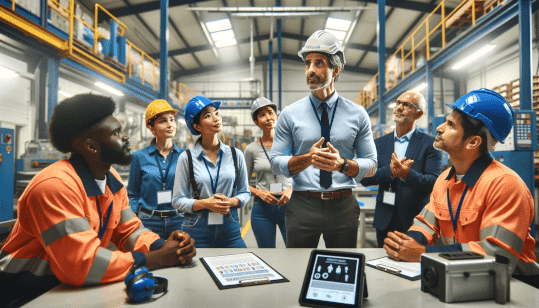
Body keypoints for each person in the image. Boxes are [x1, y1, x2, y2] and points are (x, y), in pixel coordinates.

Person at [0, 94, 196, 308]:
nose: (126, 138)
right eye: (116, 133)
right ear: (91, 146)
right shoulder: (55, 186)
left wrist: (165, 246)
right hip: (23, 293)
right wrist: (158, 258)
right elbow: (82, 264)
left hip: (66, 288)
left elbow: (130, 231)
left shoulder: (110, 179)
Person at [383, 88, 539, 285]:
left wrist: (423, 253)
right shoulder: (445, 179)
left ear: (473, 142)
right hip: (464, 275)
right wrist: (406, 244)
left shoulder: (505, 184)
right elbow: (426, 224)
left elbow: (499, 255)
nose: (439, 128)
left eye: (450, 125)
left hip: (514, 285)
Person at [270, 30, 377, 248]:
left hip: (343, 205)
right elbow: (275, 162)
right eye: (307, 63)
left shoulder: (357, 114)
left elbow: (372, 164)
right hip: (302, 204)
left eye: (318, 63)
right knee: (299, 269)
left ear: (336, 69)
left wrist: (343, 164)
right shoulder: (290, 114)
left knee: (342, 269)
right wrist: (306, 159)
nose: (310, 70)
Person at [360, 91, 442, 247]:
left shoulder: (430, 144)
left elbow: (433, 182)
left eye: (406, 105)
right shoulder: (378, 144)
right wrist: (389, 172)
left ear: (419, 114)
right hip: (384, 219)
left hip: (416, 219)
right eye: (398, 103)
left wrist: (406, 175)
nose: (399, 107)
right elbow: (365, 178)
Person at [172, 96, 250, 248]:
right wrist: (206, 203)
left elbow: (245, 192)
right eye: (208, 115)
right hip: (197, 230)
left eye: (216, 113)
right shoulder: (186, 158)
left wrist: (231, 201)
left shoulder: (236, 155)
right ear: (197, 126)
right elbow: (177, 200)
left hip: (230, 229)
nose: (216, 118)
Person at [128, 99, 184, 239]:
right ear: (151, 127)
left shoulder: (185, 156)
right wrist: (135, 219)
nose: (170, 124)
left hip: (179, 220)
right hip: (148, 221)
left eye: (172, 119)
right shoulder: (138, 157)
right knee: (150, 259)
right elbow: (133, 194)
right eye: (162, 121)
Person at [244, 97, 293, 248]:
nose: (268, 118)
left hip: (289, 205)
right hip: (262, 208)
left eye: (270, 113)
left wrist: (291, 189)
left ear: (277, 116)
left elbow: (305, 174)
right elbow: (242, 184)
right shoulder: (251, 149)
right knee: (266, 253)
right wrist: (259, 193)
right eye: (262, 115)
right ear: (256, 122)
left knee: (296, 252)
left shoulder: (292, 144)